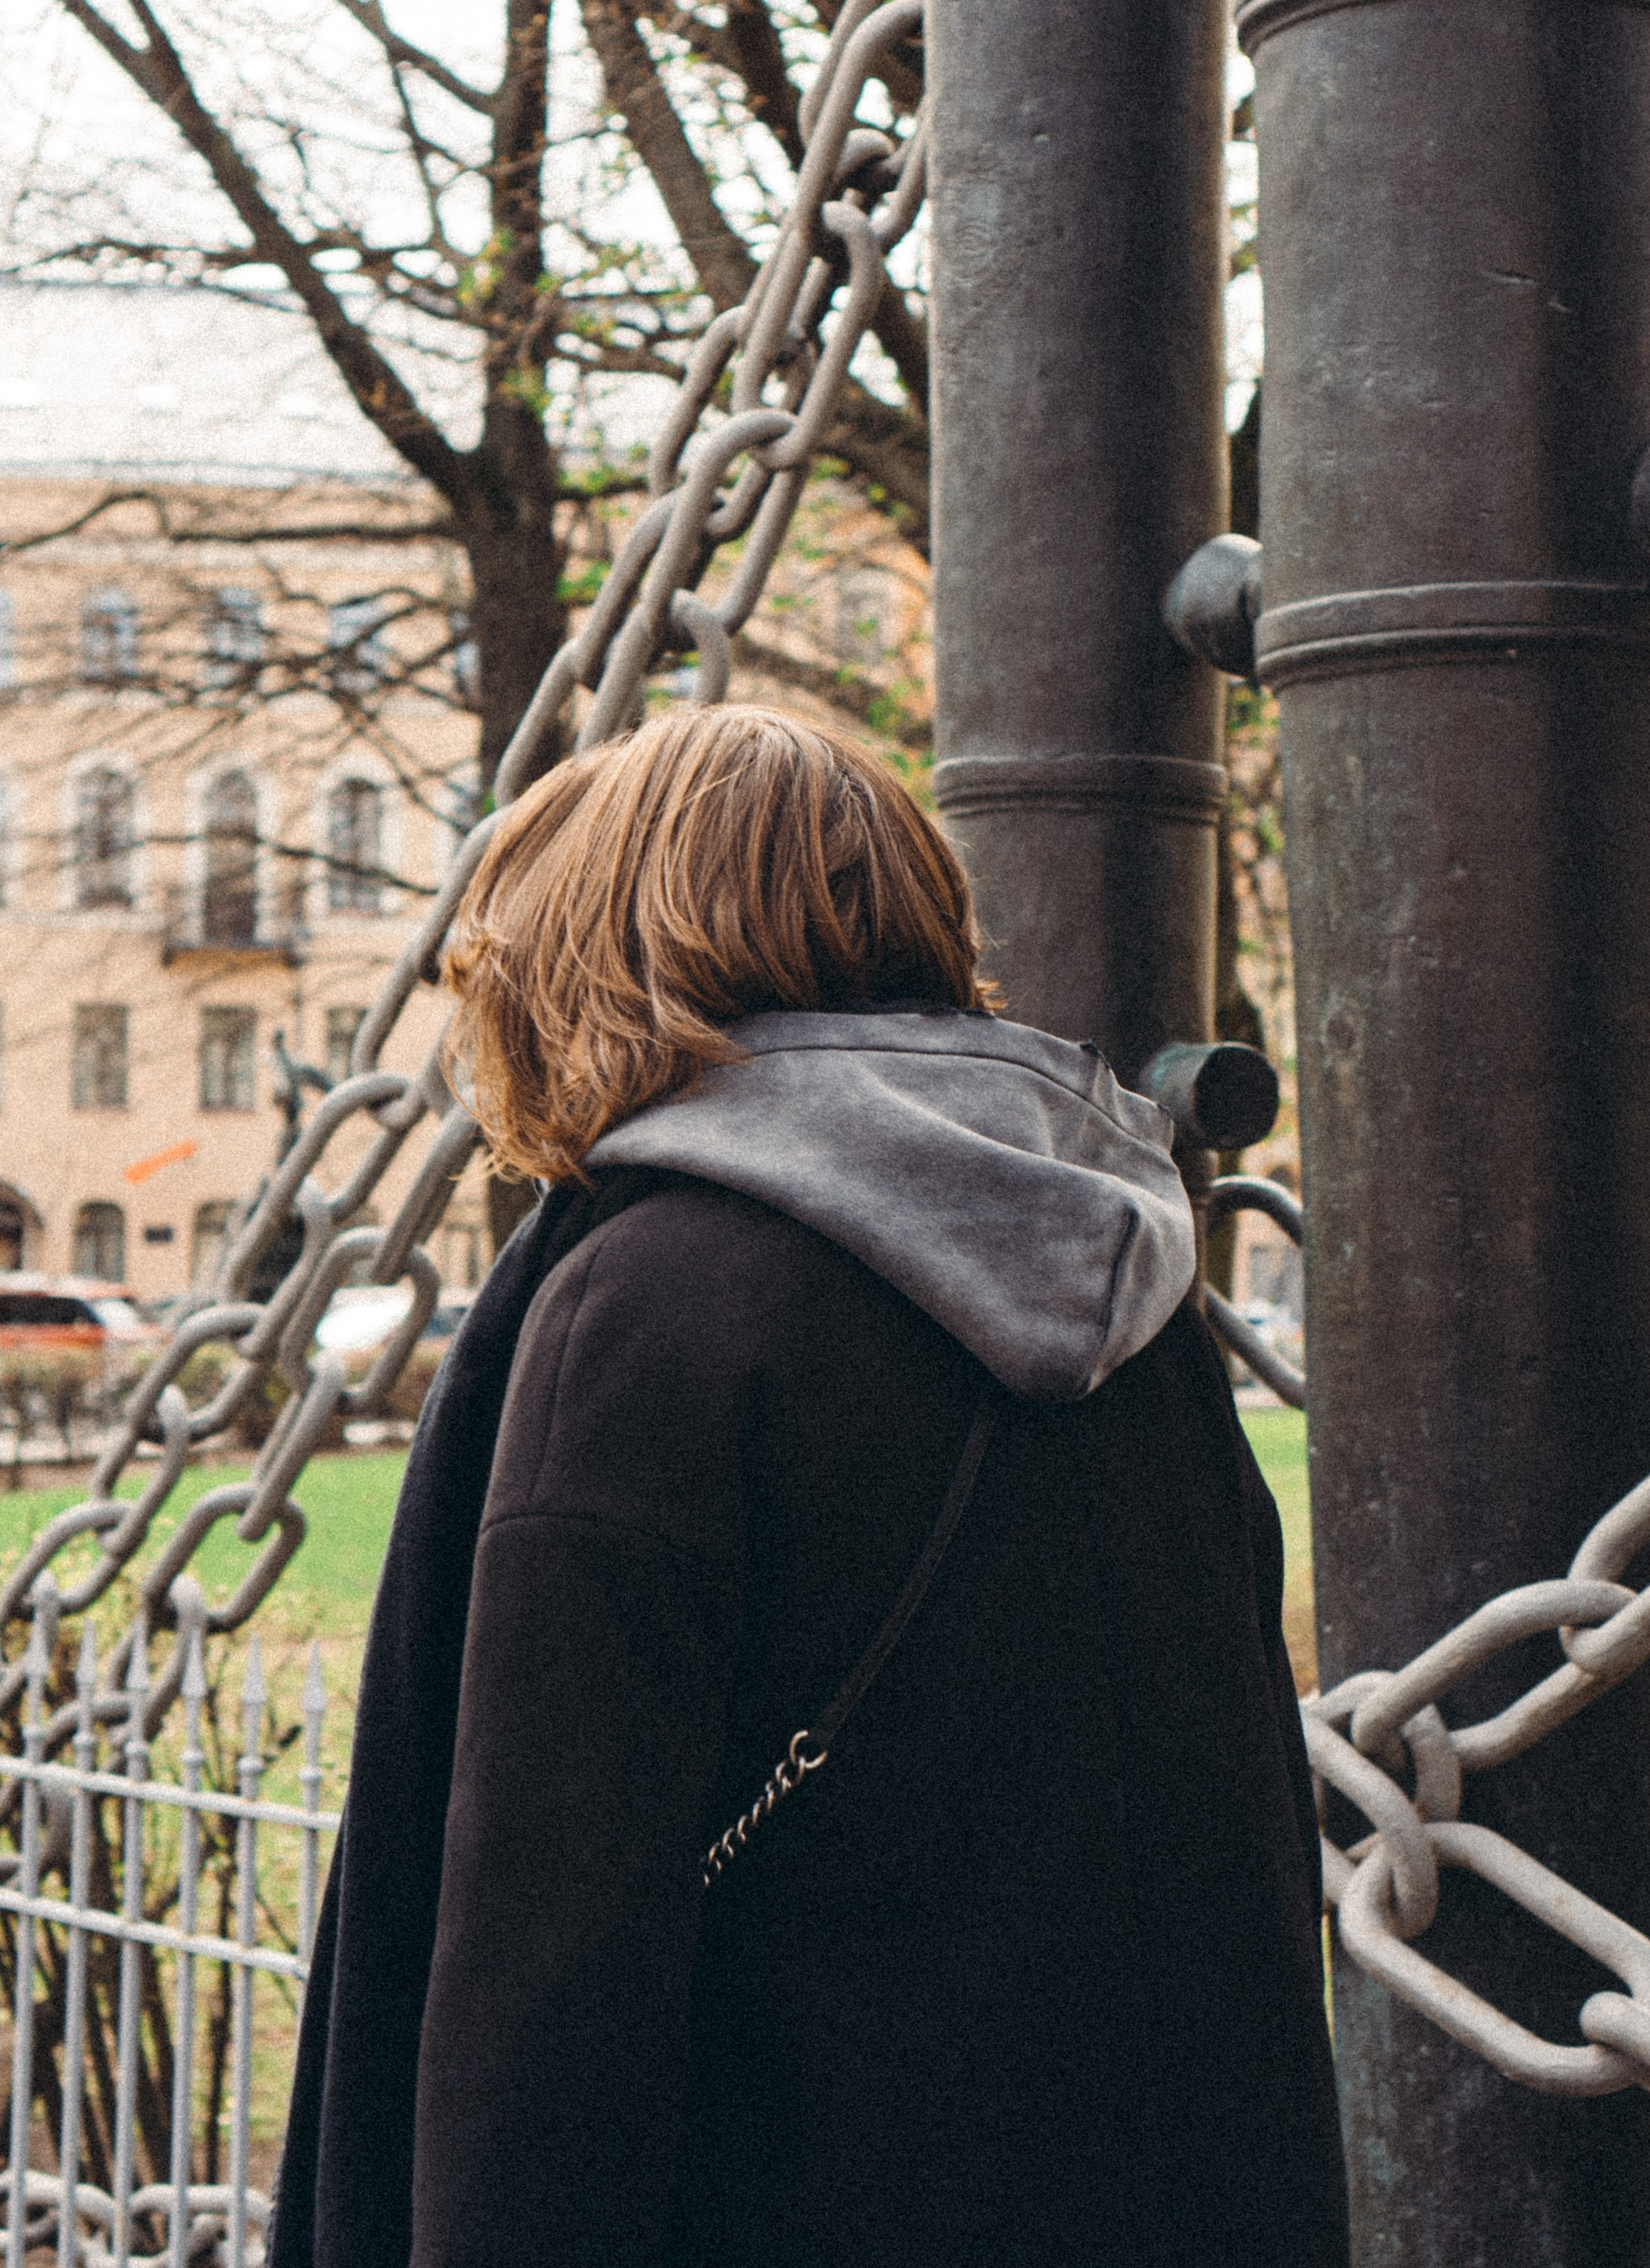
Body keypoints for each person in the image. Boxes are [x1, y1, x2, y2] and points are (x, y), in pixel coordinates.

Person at [270, 704, 1346, 2268]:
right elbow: (1226, 1834)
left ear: (589, 945)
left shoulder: (644, 1300)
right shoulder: (1122, 1275)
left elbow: (548, 1954)